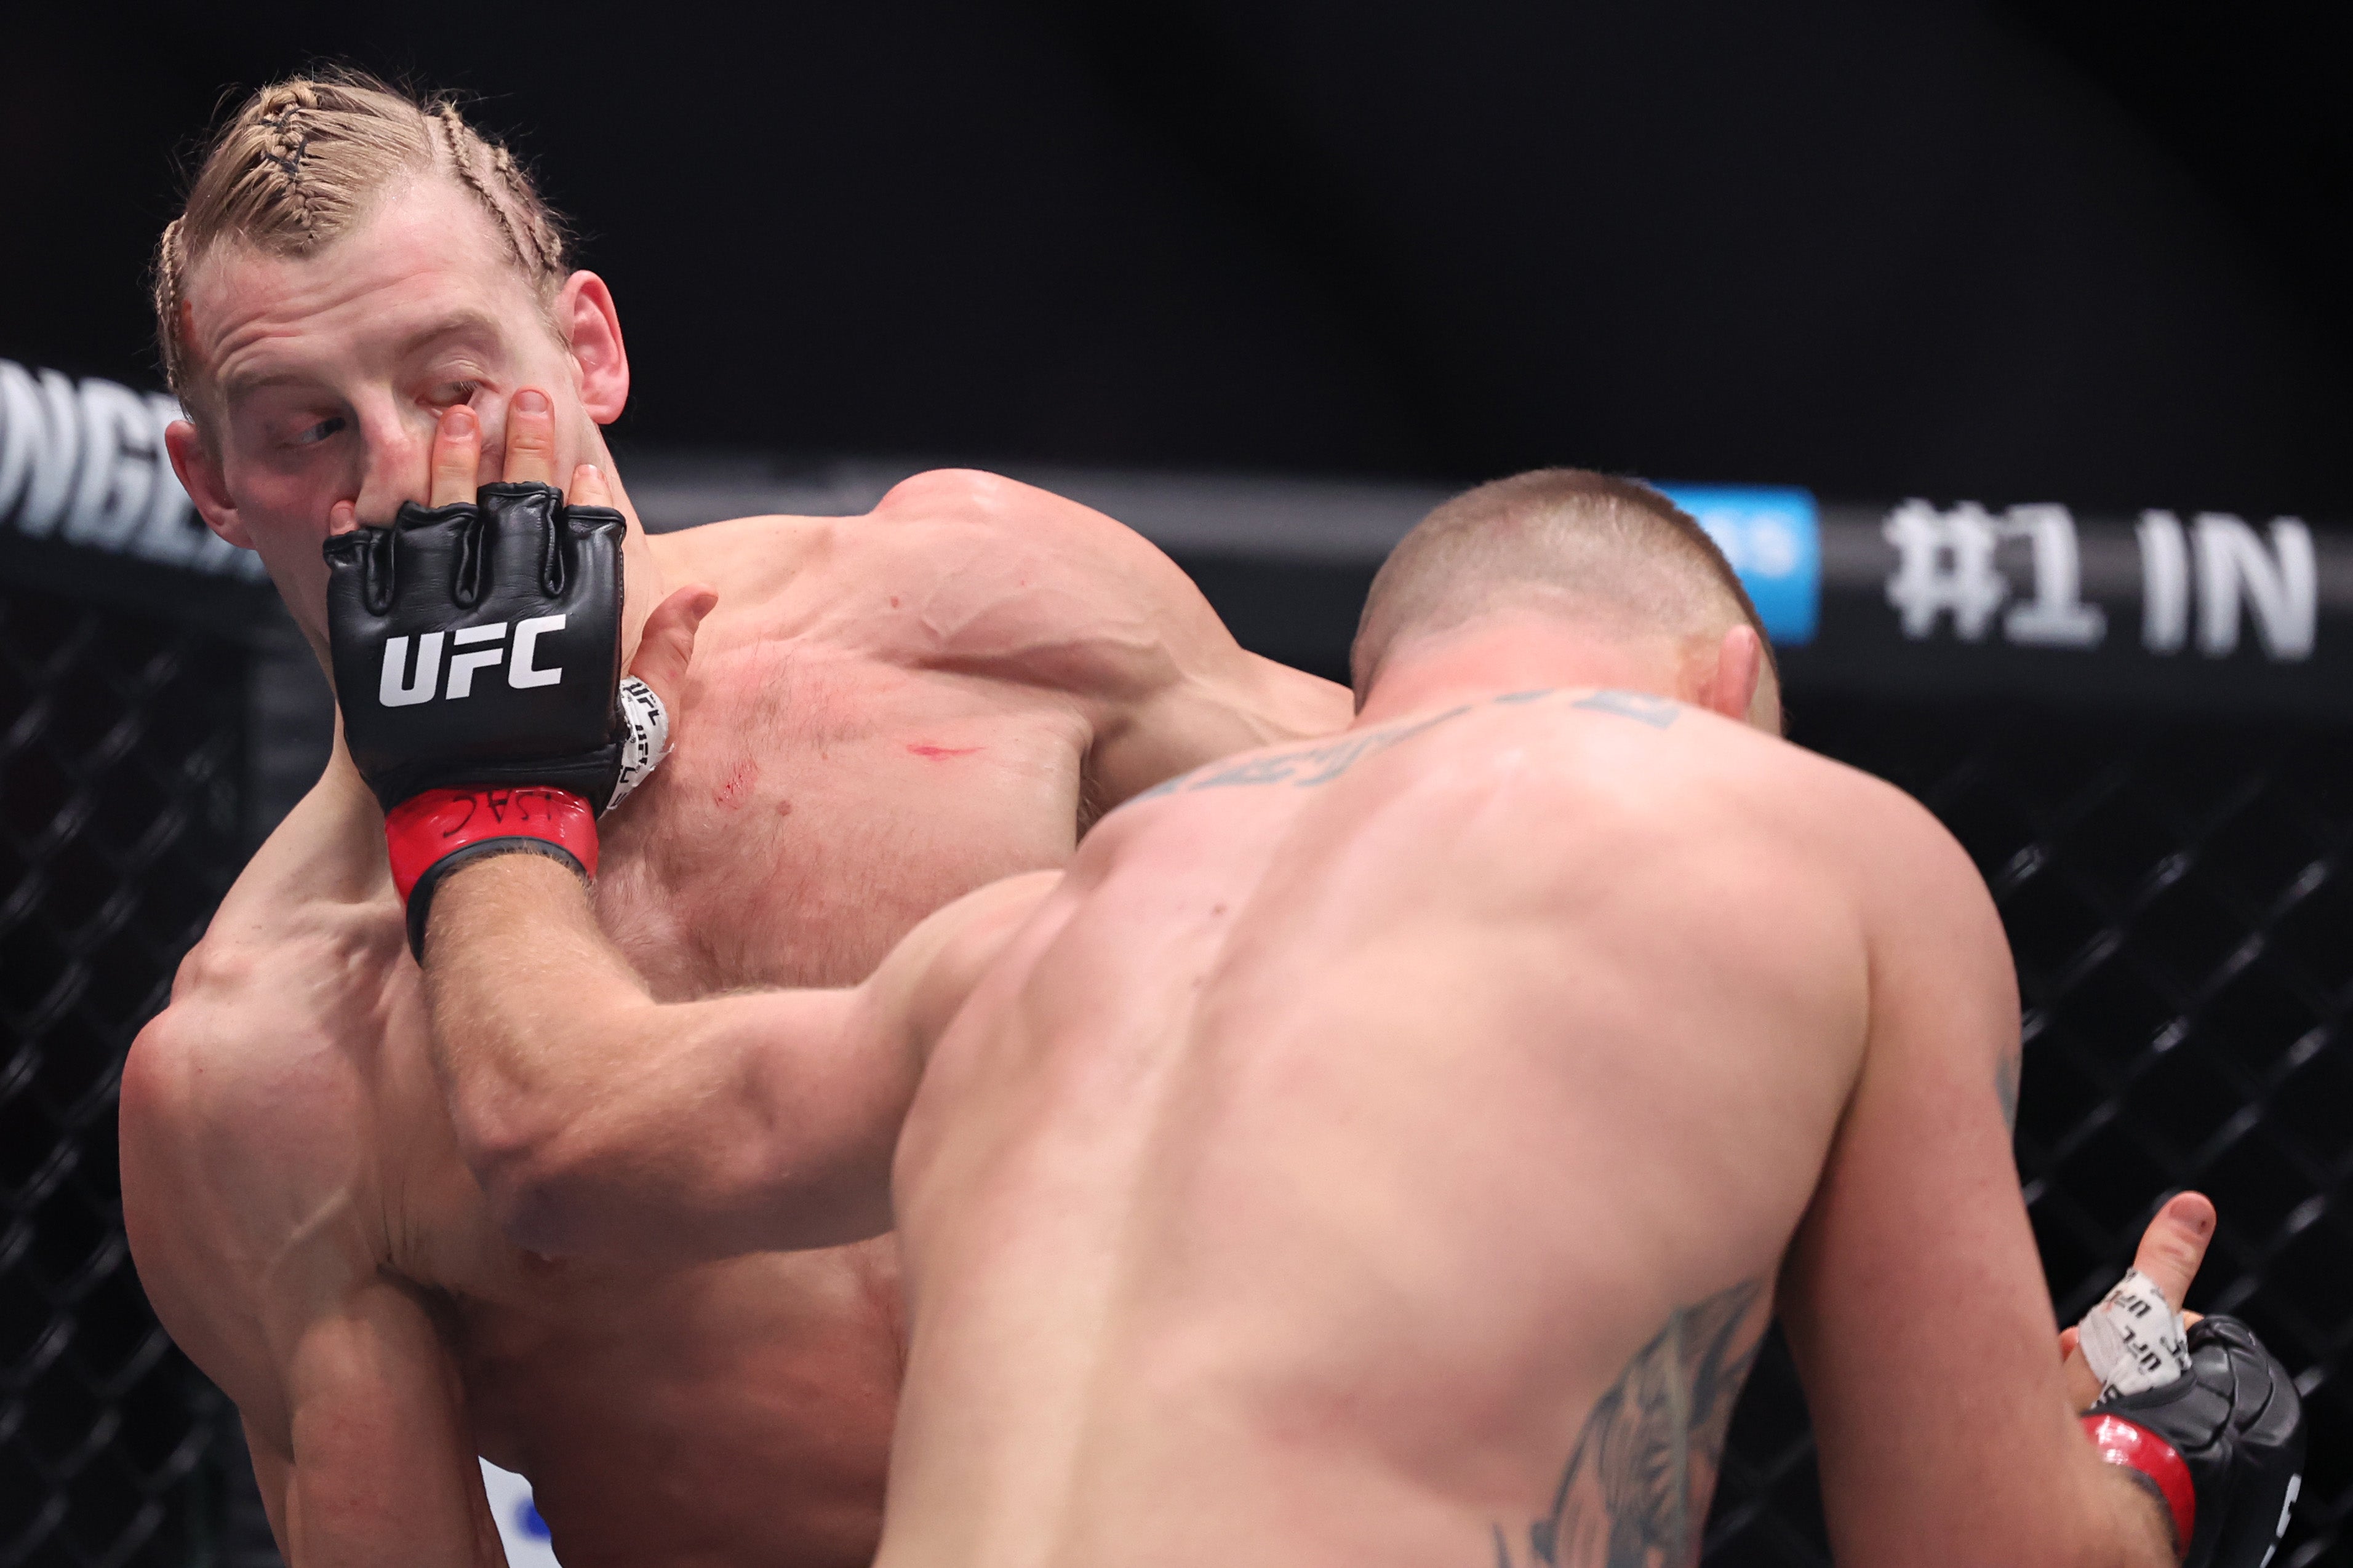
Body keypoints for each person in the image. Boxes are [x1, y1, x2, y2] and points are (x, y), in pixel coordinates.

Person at [390, 468, 2296, 1567]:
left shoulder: (1028, 939)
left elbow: (559, 1121)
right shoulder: (1818, 848)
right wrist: (2161, 1455)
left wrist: (484, 784)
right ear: (1723, 690)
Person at [118, 72, 1348, 1567]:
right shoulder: (260, 1065)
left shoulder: (960, 611)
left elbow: (1452, 861)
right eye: (305, 429)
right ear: (214, 484)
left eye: (449, 384)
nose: (394, 482)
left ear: (588, 350)